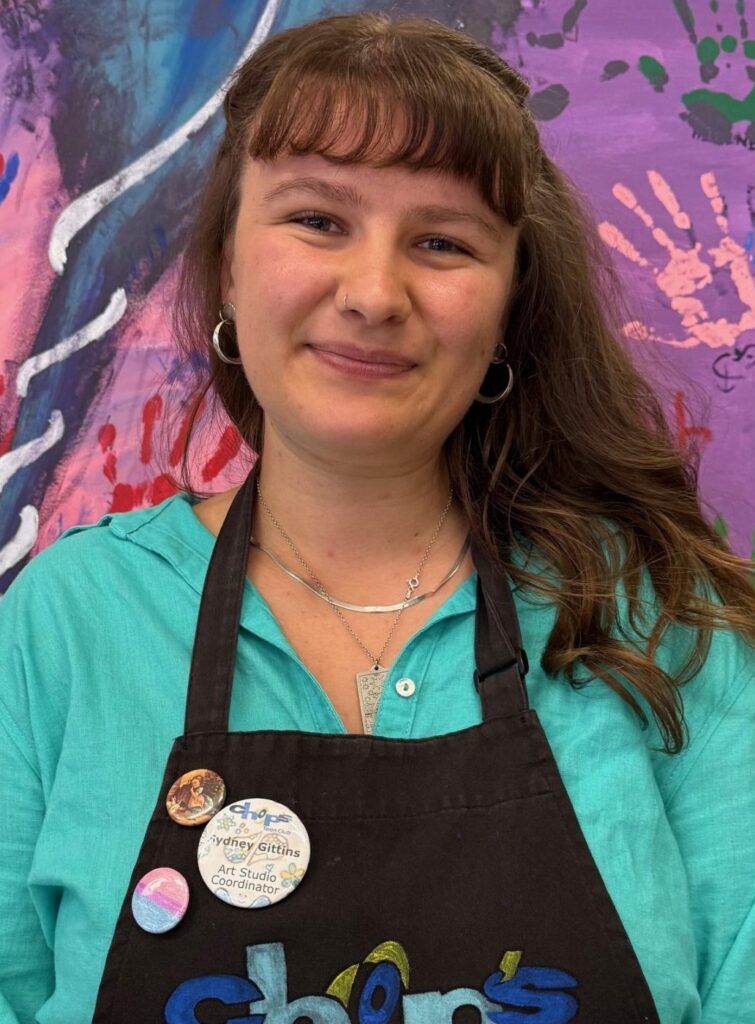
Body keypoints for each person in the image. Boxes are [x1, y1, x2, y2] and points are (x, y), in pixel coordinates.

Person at [1, 10, 754, 1024]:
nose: (372, 292)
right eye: (317, 219)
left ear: (503, 310)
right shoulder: (68, 622)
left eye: (441, 242)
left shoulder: (660, 618)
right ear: (226, 261)